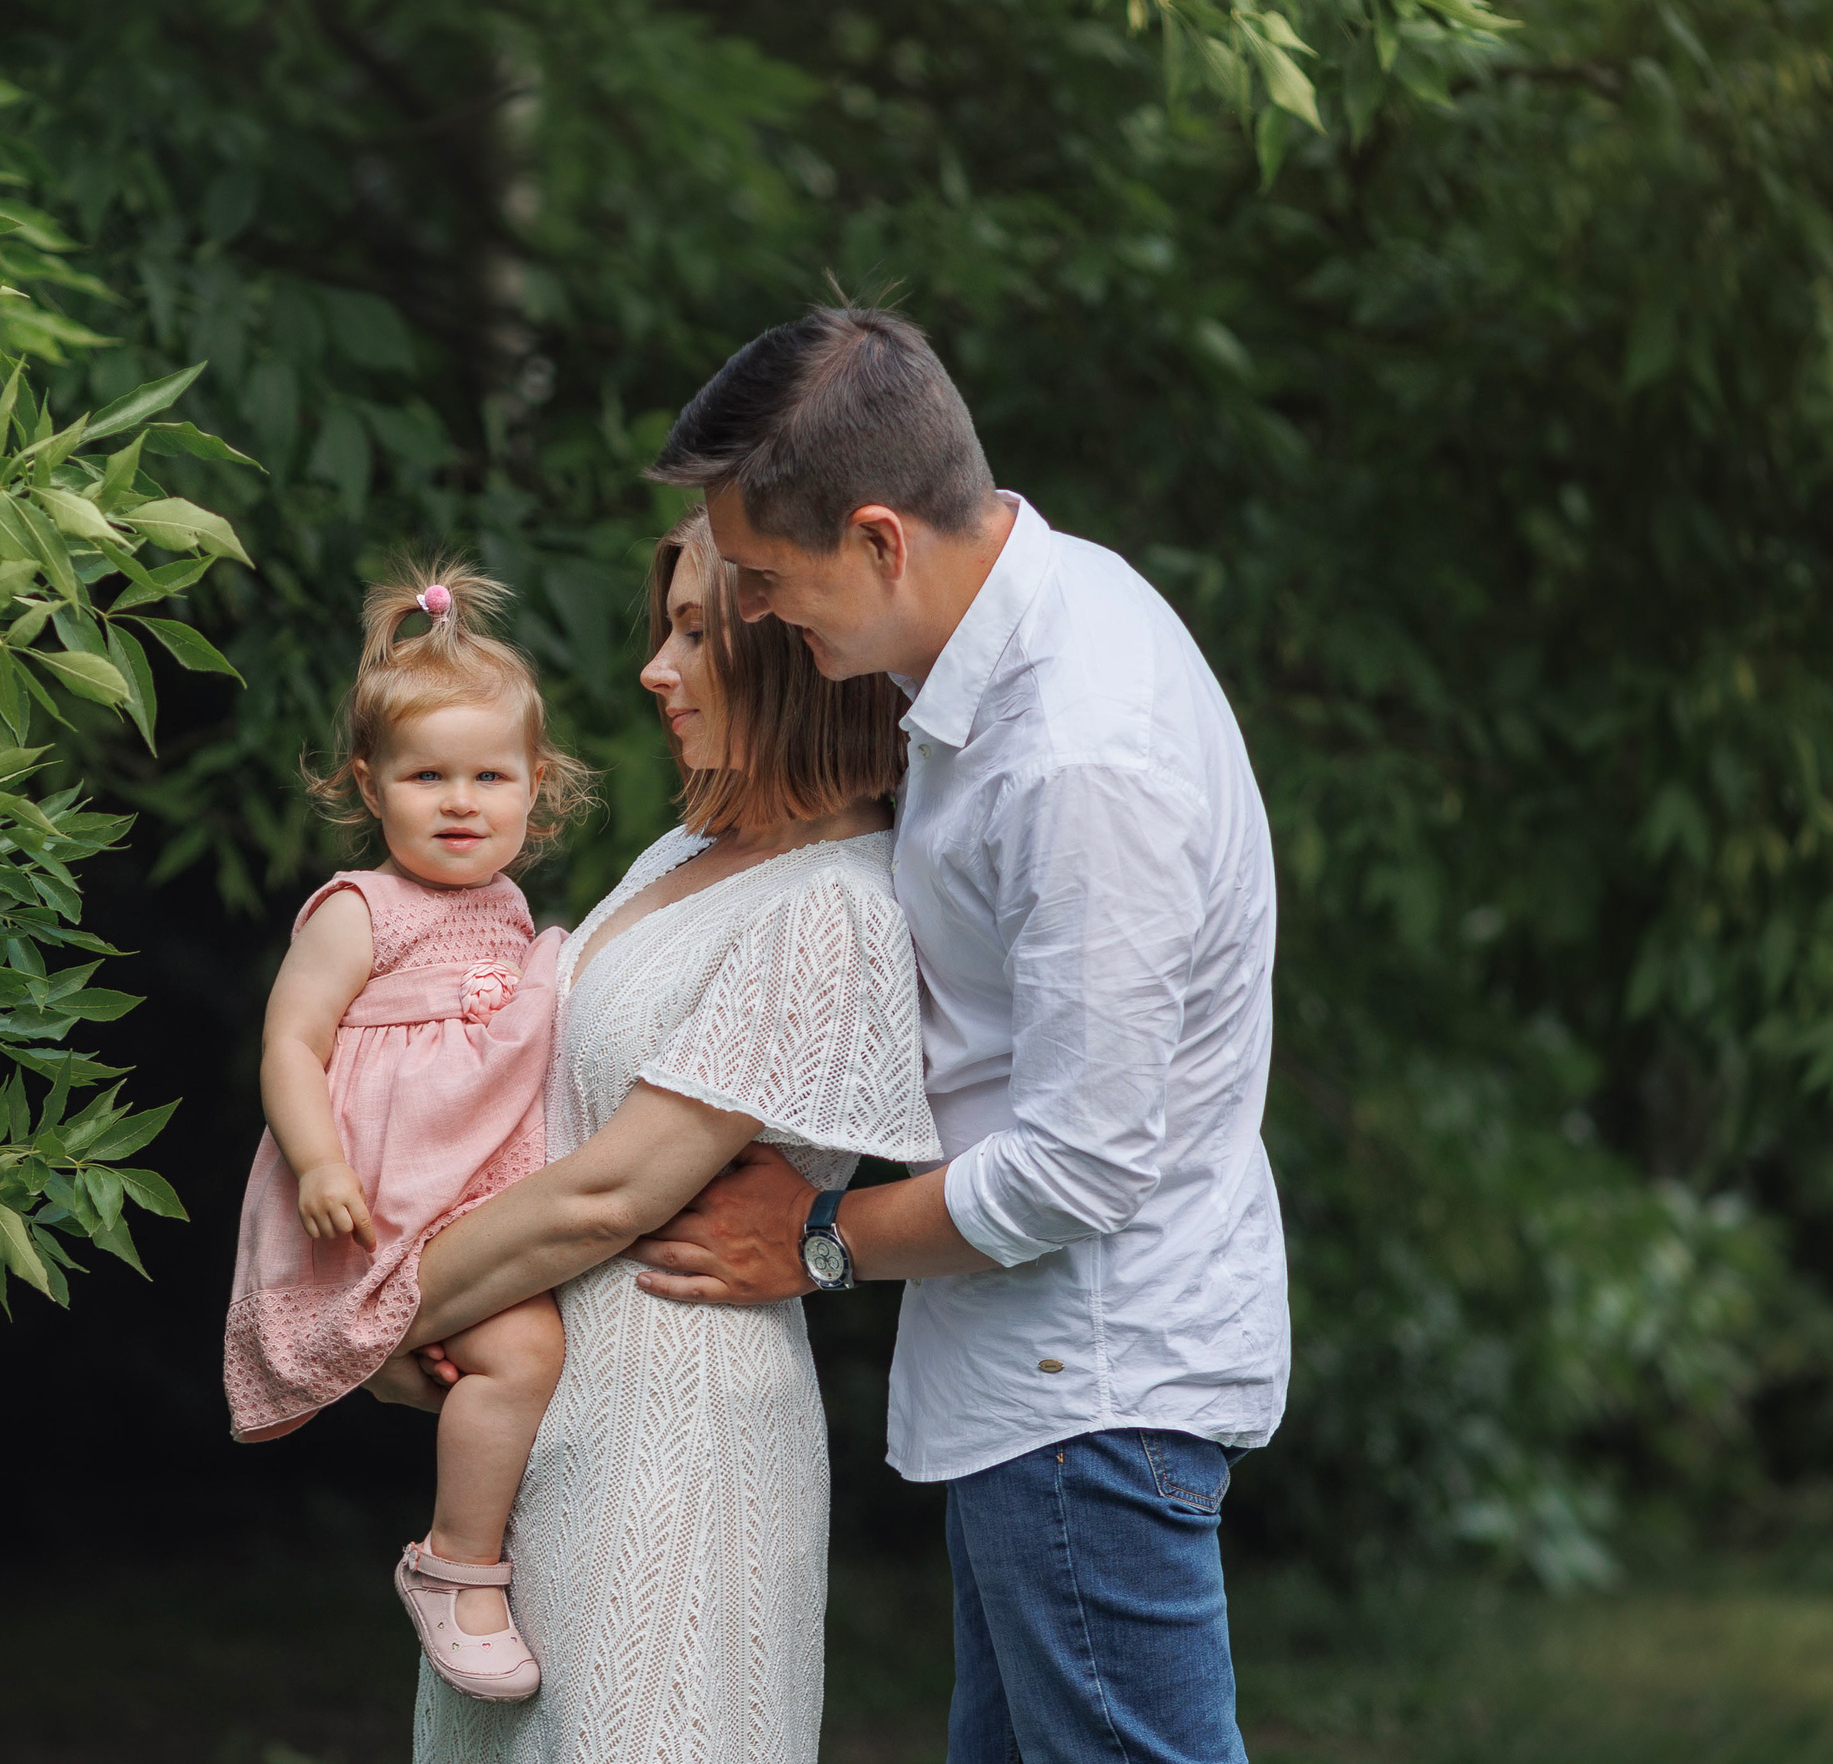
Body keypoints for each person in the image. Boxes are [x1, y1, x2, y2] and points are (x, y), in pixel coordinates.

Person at [626, 306, 1291, 1764]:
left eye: (766, 580)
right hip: (1032, 1393)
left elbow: (1084, 1163)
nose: (757, 616)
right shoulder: (1019, 628)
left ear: (879, 539)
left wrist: (813, 1238)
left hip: (1090, 1393)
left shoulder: (1079, 752)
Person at [381, 508, 940, 1763]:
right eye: (664, 629)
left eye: (694, 633)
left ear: (789, 650)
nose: (654, 669)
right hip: (543, 1427)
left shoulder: (834, 905)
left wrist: (359, 1316)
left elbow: (613, 1192)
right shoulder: (686, 851)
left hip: (672, 1442)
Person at [222, 561, 592, 1702]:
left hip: (478, 1181)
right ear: (368, 787)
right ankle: (457, 1566)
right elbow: (291, 1044)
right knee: (522, 1354)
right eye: (427, 776)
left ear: (536, 787)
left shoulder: (511, 912)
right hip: (383, 1189)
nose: (460, 802)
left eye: (490, 776)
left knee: (526, 1354)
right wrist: (318, 1161)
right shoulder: (358, 908)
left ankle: (484, 1534)